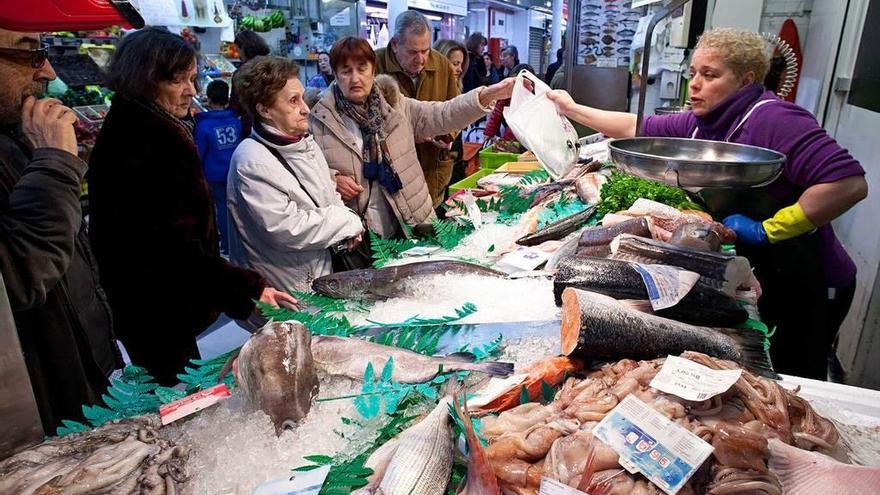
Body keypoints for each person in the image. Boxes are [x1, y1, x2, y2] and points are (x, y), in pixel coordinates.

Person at [546, 27, 868, 380]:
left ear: (746, 80)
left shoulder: (775, 119)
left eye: (710, 75)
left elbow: (847, 184)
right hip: (759, 264)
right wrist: (571, 107)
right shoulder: (702, 124)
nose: (695, 84)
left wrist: (767, 230)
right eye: (693, 73)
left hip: (809, 275)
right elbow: (634, 126)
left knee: (795, 372)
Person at [88, 28, 295, 386]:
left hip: (149, 300)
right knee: (174, 392)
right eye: (179, 81)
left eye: (194, 78)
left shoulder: (135, 125)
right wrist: (247, 290)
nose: (192, 91)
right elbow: (176, 248)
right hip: (156, 304)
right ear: (146, 79)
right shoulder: (151, 141)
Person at [0, 28, 121, 432]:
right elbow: (22, 272)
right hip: (37, 416)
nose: (48, 71)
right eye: (30, 55)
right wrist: (54, 160)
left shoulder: (17, 139)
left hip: (84, 385)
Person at [310, 37, 514, 241]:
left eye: (362, 69)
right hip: (360, 236)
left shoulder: (395, 105)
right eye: (346, 71)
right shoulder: (319, 120)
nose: (355, 78)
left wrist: (488, 95)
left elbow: (443, 114)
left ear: (373, 70)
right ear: (335, 74)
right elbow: (301, 170)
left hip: (411, 223)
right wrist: (332, 179)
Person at [227, 56, 364, 291]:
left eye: (302, 97)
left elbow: (328, 194)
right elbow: (286, 229)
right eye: (293, 101)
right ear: (265, 110)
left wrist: (345, 224)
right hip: (288, 289)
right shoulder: (251, 161)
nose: (305, 108)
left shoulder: (304, 142)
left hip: (320, 273)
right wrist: (347, 221)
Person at [375, 10, 461, 208]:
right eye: (413, 52)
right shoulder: (373, 65)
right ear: (395, 44)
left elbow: (455, 109)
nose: (421, 59)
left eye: (426, 50)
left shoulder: (442, 65)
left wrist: (448, 134)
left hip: (433, 168)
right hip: (393, 172)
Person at [194, 79, 241, 255]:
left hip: (214, 174)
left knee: (220, 209)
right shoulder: (235, 121)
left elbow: (200, 152)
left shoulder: (203, 125)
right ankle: (237, 244)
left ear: (209, 99)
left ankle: (226, 246)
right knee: (235, 208)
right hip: (234, 171)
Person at [433, 39, 470, 190]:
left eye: (461, 64)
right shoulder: (432, 92)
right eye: (455, 64)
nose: (460, 69)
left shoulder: (457, 89)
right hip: (437, 165)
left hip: (455, 161)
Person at [230, 30, 271, 136]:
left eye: (238, 49)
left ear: (243, 48)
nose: (238, 54)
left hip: (251, 127)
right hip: (275, 123)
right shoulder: (273, 65)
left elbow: (235, 107)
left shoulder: (242, 73)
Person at [484, 63, 535, 142]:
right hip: (510, 136)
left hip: (530, 138)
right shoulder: (507, 94)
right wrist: (489, 133)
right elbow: (496, 114)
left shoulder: (535, 98)